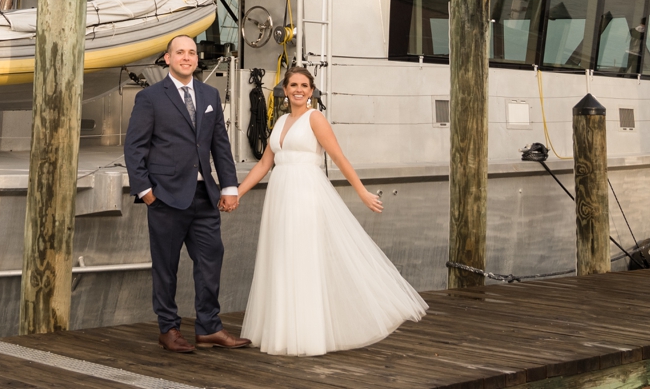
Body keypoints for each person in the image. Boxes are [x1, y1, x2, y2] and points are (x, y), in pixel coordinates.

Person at [236, 65, 428, 355]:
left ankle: (308, 335)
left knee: (303, 258)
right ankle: (284, 331)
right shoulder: (280, 121)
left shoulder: (316, 119)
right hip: (280, 195)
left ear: (311, 91)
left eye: (304, 85)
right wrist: (235, 194)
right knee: (282, 256)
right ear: (285, 90)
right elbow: (264, 165)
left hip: (305, 192)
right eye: (293, 85)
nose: (298, 90)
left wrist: (361, 191)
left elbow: (339, 157)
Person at [124, 34, 251, 353]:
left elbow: (220, 145)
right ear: (167, 58)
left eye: (192, 52)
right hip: (165, 197)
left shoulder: (209, 94)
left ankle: (209, 327)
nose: (186, 57)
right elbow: (134, 147)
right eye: (179, 52)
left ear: (197, 59)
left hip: (204, 196)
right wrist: (146, 190)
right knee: (165, 266)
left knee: (212, 258)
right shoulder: (150, 97)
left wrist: (230, 187)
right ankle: (168, 329)